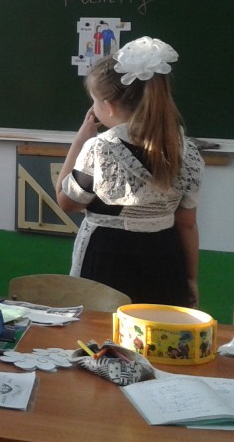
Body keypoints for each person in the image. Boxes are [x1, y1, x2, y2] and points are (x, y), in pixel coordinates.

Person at [56, 36, 203, 307]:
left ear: (109, 107)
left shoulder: (101, 148)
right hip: (165, 260)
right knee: (157, 328)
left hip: (107, 261)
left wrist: (80, 140)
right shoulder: (186, 150)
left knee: (101, 330)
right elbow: (187, 224)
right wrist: (190, 278)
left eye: (95, 102)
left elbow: (66, 201)